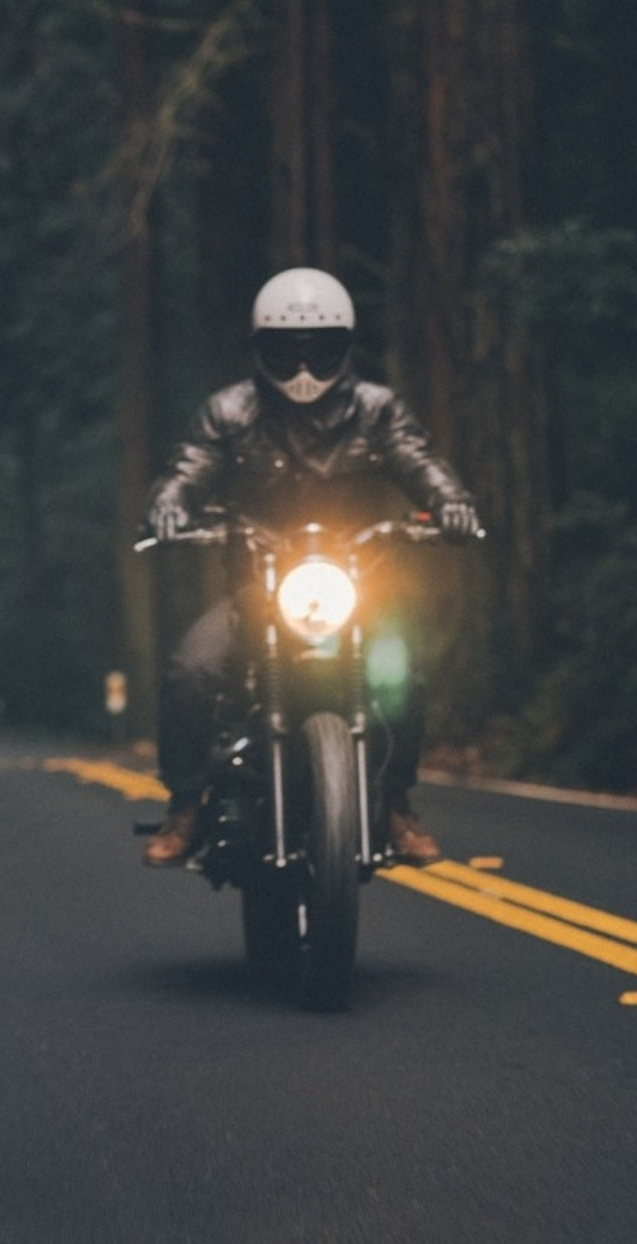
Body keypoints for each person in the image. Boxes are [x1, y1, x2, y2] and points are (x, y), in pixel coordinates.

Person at [142, 267, 479, 868]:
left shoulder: (378, 411)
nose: (303, 368)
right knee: (192, 670)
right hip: (257, 587)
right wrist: (168, 507)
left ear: (344, 347)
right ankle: (187, 805)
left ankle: (397, 802)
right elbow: (188, 468)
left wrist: (449, 501)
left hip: (358, 584)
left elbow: (420, 461)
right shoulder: (229, 412)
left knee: (399, 670)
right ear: (259, 349)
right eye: (285, 350)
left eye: (320, 350)